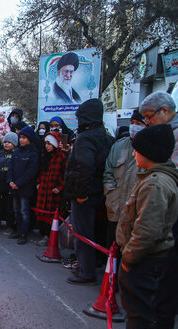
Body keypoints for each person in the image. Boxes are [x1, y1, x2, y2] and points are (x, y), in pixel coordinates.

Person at [99, 124, 178, 329]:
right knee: (134, 303)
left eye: (137, 151)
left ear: (150, 153)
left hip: (144, 257)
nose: (134, 155)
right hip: (139, 254)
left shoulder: (156, 183)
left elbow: (148, 230)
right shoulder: (151, 178)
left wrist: (129, 257)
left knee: (138, 302)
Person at [139, 91, 178, 329]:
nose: (147, 122)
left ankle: (162, 315)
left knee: (169, 263)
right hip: (163, 203)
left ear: (165, 111)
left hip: (168, 205)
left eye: (149, 116)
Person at [63, 98, 113, 285]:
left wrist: (81, 193)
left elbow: (85, 167)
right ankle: (97, 264)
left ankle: (86, 272)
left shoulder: (86, 138)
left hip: (86, 194)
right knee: (98, 231)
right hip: (101, 192)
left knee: (83, 234)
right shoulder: (106, 137)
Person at [103, 110, 146, 248]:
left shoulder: (151, 150)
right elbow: (108, 173)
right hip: (115, 209)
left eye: (138, 124)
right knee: (113, 248)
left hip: (136, 214)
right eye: (132, 123)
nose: (134, 126)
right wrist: (111, 195)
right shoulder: (119, 146)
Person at [7, 127, 40, 244]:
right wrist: (10, 181)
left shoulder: (33, 154)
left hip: (25, 188)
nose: (21, 140)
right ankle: (18, 230)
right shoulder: (16, 152)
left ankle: (24, 233)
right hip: (14, 187)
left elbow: (31, 173)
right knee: (16, 210)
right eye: (20, 137)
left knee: (24, 211)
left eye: (24, 138)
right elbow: (10, 168)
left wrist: (18, 183)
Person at [35, 132, 67, 246]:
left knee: (52, 215)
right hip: (44, 189)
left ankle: (51, 237)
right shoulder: (44, 156)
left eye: (49, 144)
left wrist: (59, 187)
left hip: (54, 191)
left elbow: (65, 175)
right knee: (43, 214)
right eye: (46, 143)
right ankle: (44, 235)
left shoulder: (62, 157)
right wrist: (38, 182)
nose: (47, 146)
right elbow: (41, 171)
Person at [0, 132, 18, 234]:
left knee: (9, 207)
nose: (6, 144)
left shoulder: (16, 155)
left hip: (9, 186)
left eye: (9, 142)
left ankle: (9, 226)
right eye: (5, 142)